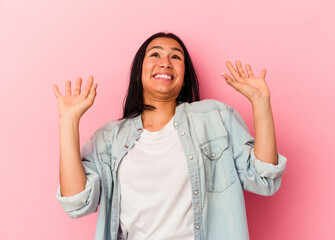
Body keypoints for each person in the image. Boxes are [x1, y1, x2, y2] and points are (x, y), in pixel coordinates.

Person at [53, 32, 287, 240]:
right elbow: (76, 202)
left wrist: (261, 103)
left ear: (184, 76)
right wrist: (68, 121)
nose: (165, 62)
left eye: (176, 57)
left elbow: (263, 178)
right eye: (155, 54)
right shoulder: (108, 139)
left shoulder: (215, 118)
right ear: (139, 72)